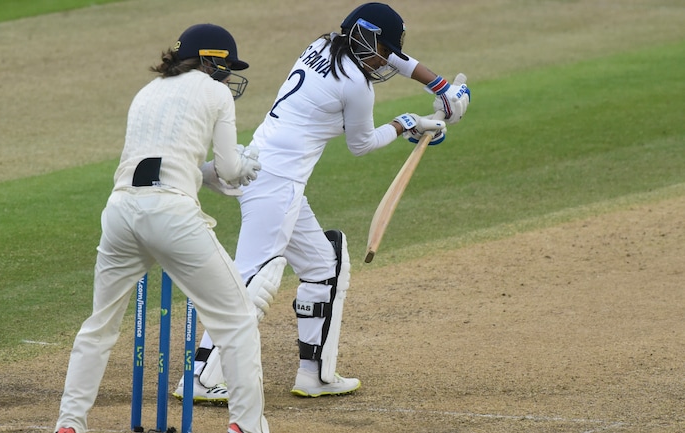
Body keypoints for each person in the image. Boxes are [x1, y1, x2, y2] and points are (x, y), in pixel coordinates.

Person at [174, 2, 471, 403]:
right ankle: (200, 376)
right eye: (383, 50)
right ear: (366, 40)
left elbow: (399, 59)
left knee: (322, 264)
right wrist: (408, 123)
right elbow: (362, 145)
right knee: (253, 277)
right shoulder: (357, 86)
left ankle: (315, 375)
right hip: (275, 183)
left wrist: (440, 87)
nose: (386, 61)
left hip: (265, 168)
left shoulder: (323, 44)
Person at [53, 23, 280, 433]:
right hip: (172, 215)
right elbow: (229, 169)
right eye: (225, 67)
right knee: (238, 320)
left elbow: (165, 161)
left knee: (99, 325)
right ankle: (247, 426)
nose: (228, 77)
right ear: (210, 60)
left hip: (121, 211)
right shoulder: (213, 92)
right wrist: (240, 168)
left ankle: (69, 425)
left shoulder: (147, 92)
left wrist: (210, 174)